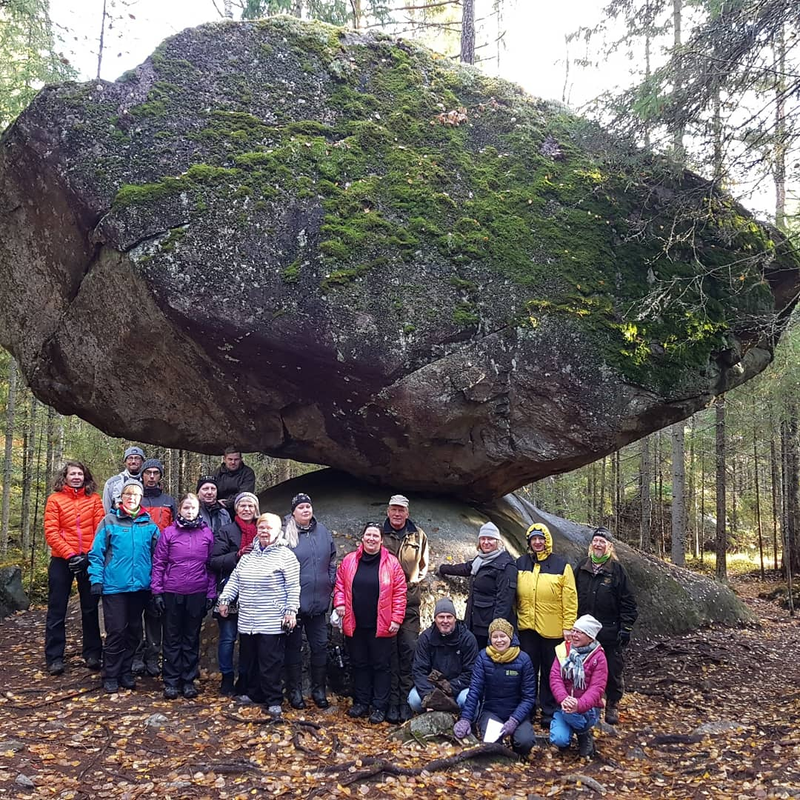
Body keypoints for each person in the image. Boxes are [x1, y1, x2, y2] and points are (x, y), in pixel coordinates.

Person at [217, 512, 300, 717]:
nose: (264, 531)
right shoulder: (249, 555)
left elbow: (293, 587)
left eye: (268, 528)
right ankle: (253, 694)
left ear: (278, 531)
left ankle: (273, 700)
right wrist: (225, 599)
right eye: (261, 527)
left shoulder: (286, 556)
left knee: (269, 661)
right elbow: (235, 580)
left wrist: (291, 611)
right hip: (248, 619)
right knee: (249, 659)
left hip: (271, 619)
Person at [88, 479, 160, 694]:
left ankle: (126, 671)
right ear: (122, 497)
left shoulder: (149, 525)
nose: (131, 498)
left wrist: (157, 586)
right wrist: (96, 579)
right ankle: (111, 674)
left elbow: (159, 557)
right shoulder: (109, 521)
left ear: (140, 498)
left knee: (134, 632)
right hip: (114, 587)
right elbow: (96, 553)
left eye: (135, 495)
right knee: (116, 631)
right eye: (128, 494)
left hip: (140, 588)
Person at [334, 522, 407, 725]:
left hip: (381, 625)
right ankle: (361, 702)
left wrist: (396, 619)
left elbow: (400, 593)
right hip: (355, 623)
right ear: (362, 538)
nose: (372, 539)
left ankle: (379, 706)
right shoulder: (349, 560)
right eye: (368, 535)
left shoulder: (391, 563)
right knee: (359, 664)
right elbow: (340, 584)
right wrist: (339, 603)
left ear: (381, 540)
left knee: (381, 666)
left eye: (376, 535)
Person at [151, 493, 216, 699]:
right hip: (172, 591)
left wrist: (211, 593)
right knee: (171, 638)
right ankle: (171, 681)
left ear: (198, 510)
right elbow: (159, 563)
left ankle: (188, 681)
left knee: (191, 638)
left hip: (197, 592)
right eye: (186, 508)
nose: (189, 511)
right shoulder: (169, 533)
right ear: (180, 510)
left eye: (193, 508)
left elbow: (211, 566)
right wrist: (157, 591)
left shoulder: (207, 534)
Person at [43, 461, 106, 675]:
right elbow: (51, 532)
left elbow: (100, 529)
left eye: (80, 474)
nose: (76, 477)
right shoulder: (55, 499)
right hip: (62, 559)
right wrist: (70, 554)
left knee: (90, 608)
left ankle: (93, 653)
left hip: (88, 559)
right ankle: (54, 657)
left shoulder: (94, 499)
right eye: (73, 474)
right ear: (65, 477)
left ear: (85, 477)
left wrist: (87, 556)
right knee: (57, 608)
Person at [515, 522, 577, 727]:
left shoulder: (561, 565)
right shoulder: (520, 563)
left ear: (547, 540)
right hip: (527, 629)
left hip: (553, 630)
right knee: (528, 671)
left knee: (552, 671)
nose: (538, 542)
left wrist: (568, 626)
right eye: (534, 539)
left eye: (541, 538)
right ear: (529, 541)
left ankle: (549, 711)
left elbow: (570, 599)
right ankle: (528, 709)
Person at [574, 526, 637, 725]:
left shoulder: (617, 570)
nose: (598, 544)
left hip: (608, 629)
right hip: (584, 631)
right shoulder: (581, 568)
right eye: (596, 541)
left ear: (609, 546)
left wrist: (625, 627)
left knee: (612, 668)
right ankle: (588, 702)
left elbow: (628, 601)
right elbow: (571, 596)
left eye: (603, 542)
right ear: (591, 544)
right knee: (583, 668)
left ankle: (612, 704)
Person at [283, 492, 337, 710]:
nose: (306, 510)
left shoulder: (322, 531)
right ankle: (294, 691)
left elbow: (332, 559)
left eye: (308, 506)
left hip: (319, 602)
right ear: (294, 512)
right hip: (294, 605)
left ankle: (319, 690)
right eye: (301, 508)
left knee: (320, 646)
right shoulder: (285, 533)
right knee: (293, 648)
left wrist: (330, 581)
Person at [453, 618, 536, 756]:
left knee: (525, 742)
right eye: (495, 637)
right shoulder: (483, 657)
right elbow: (474, 690)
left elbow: (529, 697)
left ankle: (518, 753)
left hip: (517, 713)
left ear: (510, 637)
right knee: (492, 747)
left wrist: (514, 720)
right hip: (491, 712)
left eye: (502, 636)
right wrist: (465, 719)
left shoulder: (523, 659)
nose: (499, 640)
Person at [381, 494, 429, 723]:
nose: (397, 514)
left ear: (407, 513)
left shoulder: (418, 535)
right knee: (389, 653)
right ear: (388, 511)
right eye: (394, 509)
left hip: (409, 604)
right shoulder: (379, 534)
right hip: (384, 603)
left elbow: (423, 567)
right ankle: (392, 702)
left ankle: (406, 701)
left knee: (409, 649)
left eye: (401, 510)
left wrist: (409, 586)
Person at [210, 491, 261, 696]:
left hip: (255, 592)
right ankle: (227, 677)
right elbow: (214, 560)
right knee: (228, 637)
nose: (247, 509)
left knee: (251, 638)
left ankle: (246, 678)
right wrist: (237, 555)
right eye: (243, 505)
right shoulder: (227, 530)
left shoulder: (263, 529)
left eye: (251, 506)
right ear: (236, 508)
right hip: (230, 589)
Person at [438, 521, 517, 649]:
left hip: (489, 626)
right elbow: (465, 568)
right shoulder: (480, 560)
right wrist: (443, 568)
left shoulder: (506, 566)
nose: (486, 542)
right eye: (483, 539)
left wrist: (496, 631)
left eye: (490, 539)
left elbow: (504, 601)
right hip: (475, 620)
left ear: (498, 541)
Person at [134, 458, 177, 677]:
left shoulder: (169, 501)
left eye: (155, 473)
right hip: (136, 561)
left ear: (160, 476)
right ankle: (135, 656)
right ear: (141, 475)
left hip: (162, 563)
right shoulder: (134, 499)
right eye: (148, 472)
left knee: (155, 614)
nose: (151, 476)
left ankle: (152, 657)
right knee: (133, 614)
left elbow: (176, 530)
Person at [549, 614, 608, 757]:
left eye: (580, 632)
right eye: (573, 630)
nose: (574, 635)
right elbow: (555, 677)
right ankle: (576, 732)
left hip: (588, 708)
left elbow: (597, 688)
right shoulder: (563, 650)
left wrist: (579, 704)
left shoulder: (598, 657)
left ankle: (583, 733)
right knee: (559, 739)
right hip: (564, 705)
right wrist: (564, 699)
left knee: (572, 713)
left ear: (590, 637)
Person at [408, 597, 479, 714]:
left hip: (458, 687)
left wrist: (450, 688)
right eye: (441, 617)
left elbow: (471, 672)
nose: (445, 621)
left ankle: (465, 722)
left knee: (467, 699)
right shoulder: (425, 638)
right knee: (414, 700)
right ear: (435, 619)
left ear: (455, 619)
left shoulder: (468, 639)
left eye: (449, 617)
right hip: (432, 688)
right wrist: (431, 697)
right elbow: (419, 671)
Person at [102, 446, 145, 512]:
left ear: (142, 461)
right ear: (125, 462)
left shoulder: (147, 482)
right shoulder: (112, 483)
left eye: (137, 458)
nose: (133, 461)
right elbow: (106, 510)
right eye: (130, 458)